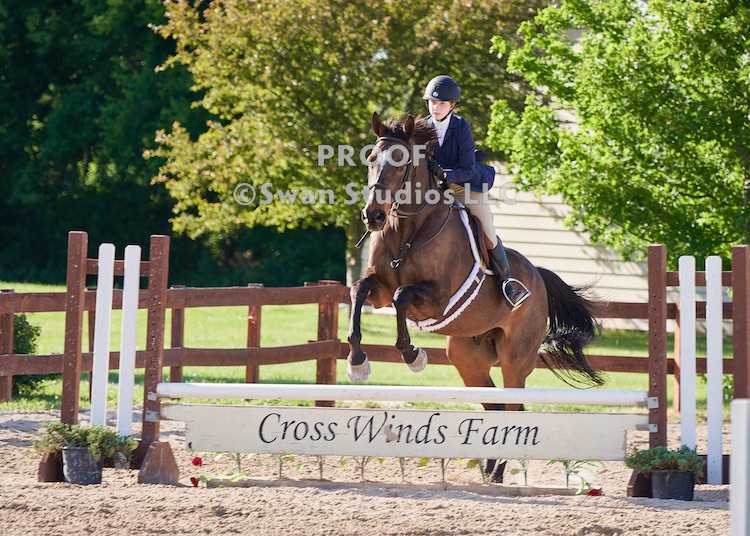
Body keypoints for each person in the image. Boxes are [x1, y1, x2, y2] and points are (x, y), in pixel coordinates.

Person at [423, 75, 530, 308]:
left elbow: (467, 169)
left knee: (487, 231)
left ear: (452, 105)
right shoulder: (422, 128)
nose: (435, 107)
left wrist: (445, 175)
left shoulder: (461, 127)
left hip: (463, 185)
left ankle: (508, 284)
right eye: (432, 102)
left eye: (441, 103)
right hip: (434, 189)